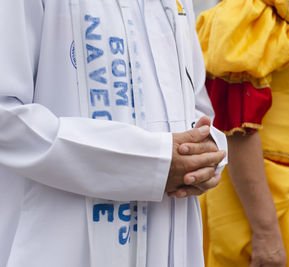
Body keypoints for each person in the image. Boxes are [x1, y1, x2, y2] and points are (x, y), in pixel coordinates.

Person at [0, 1, 228, 267]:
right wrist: (151, 164)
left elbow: (196, 108)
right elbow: (7, 118)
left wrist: (206, 155)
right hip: (62, 239)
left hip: (170, 230)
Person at [196, 0, 289, 266]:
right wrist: (266, 232)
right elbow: (237, 129)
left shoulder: (283, 19)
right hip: (264, 199)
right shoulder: (246, 16)